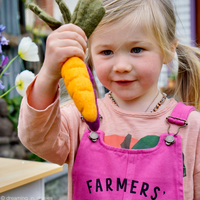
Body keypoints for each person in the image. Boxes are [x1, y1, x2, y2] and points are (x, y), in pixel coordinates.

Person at [18, 0, 200, 199]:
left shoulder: (192, 127)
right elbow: (35, 138)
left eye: (137, 49)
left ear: (168, 49)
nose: (121, 65)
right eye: (107, 52)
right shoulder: (80, 119)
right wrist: (48, 74)